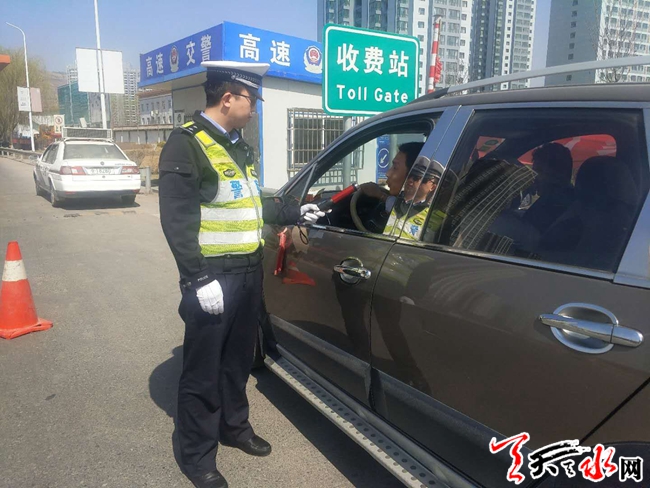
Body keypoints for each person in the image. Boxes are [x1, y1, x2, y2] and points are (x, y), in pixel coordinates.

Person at [158, 60, 324, 488]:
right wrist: (196, 278)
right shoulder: (186, 144)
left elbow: (250, 203)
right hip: (212, 277)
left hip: (248, 271)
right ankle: (197, 454)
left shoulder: (237, 146)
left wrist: (293, 211)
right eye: (252, 100)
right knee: (203, 369)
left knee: (237, 360)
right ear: (228, 98)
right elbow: (177, 220)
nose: (255, 109)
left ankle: (234, 427)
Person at [523, 142, 575, 233]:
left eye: (538, 171)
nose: (533, 177)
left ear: (557, 174)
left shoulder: (552, 206)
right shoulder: (570, 200)